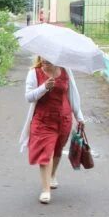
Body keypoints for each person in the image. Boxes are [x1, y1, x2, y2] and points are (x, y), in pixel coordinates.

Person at [19, 57, 85, 203]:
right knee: (45, 152)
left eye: (48, 58)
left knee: (57, 149)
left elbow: (72, 95)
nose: (44, 59)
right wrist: (44, 87)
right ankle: (45, 189)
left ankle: (52, 175)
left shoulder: (65, 70)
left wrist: (79, 116)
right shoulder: (34, 73)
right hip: (43, 120)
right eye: (42, 56)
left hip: (63, 119)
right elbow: (28, 97)